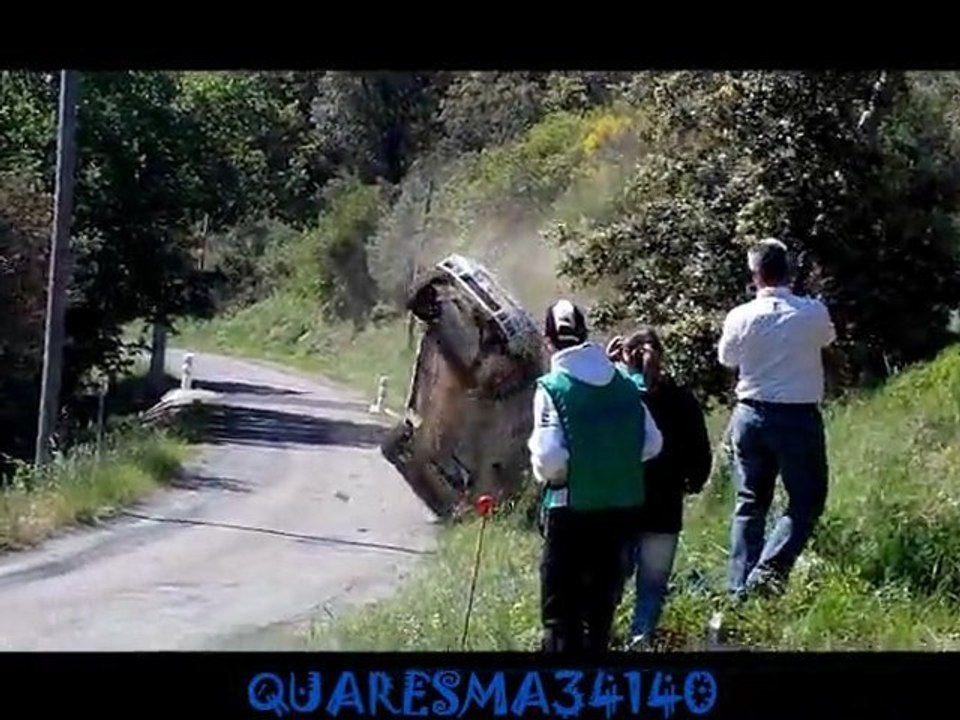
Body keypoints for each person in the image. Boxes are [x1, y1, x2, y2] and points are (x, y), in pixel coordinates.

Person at [528, 300, 663, 652]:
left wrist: (556, 474)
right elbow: (652, 443)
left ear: (548, 340)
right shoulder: (623, 383)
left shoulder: (552, 386)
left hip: (570, 514)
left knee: (561, 618)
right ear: (586, 334)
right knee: (601, 613)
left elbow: (549, 457)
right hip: (621, 514)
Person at [717, 238, 836, 600]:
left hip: (750, 414)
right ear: (790, 271)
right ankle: (765, 575)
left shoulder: (739, 316)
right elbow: (828, 340)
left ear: (755, 275)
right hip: (797, 416)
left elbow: (727, 359)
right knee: (806, 501)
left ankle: (738, 590)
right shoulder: (812, 312)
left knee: (751, 502)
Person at [617, 327, 712, 648]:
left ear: (625, 357)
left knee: (611, 581)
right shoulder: (682, 399)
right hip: (665, 507)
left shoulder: (617, 396)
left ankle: (598, 637)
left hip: (620, 505)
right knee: (652, 586)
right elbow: (701, 455)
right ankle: (639, 641)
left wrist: (607, 365)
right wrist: (692, 483)